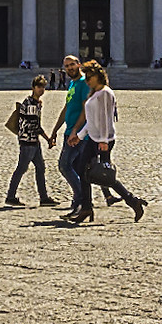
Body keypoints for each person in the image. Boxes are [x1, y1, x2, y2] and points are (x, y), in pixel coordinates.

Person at [66, 62, 146, 223]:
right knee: (81, 168)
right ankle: (88, 207)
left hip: (103, 140)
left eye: (90, 77)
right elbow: (92, 121)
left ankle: (131, 201)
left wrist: (103, 141)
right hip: (94, 139)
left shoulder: (105, 93)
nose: (87, 80)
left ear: (98, 76)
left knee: (104, 174)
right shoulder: (95, 93)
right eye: (86, 77)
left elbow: (104, 119)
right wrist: (79, 136)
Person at [48, 55, 103, 217]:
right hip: (70, 131)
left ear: (79, 64)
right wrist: (55, 130)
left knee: (64, 165)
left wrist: (76, 131)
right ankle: (83, 204)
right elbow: (67, 107)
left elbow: (86, 109)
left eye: (72, 64)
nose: (70, 68)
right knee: (79, 169)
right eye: (67, 66)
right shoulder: (72, 83)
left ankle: (82, 201)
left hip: (78, 134)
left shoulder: (84, 83)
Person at [5, 75, 54, 207]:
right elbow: (34, 125)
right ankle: (10, 196)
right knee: (22, 168)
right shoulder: (31, 104)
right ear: (33, 87)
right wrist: (48, 139)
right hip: (28, 142)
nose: (41, 90)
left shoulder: (34, 103)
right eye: (39, 87)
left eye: (43, 87)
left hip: (33, 141)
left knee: (40, 168)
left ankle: (43, 197)